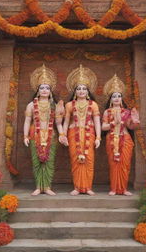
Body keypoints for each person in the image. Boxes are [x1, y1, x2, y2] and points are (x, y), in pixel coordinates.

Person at [59, 65, 101, 196]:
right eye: (79, 89)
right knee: (76, 160)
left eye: (84, 89)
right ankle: (77, 187)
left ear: (88, 91)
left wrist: (99, 137)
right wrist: (63, 135)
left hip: (89, 134)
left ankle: (87, 187)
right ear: (75, 91)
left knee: (89, 160)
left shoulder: (93, 104)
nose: (81, 91)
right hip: (73, 133)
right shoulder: (69, 105)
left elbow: (97, 122)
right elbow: (66, 121)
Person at [23, 64, 64, 196]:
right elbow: (27, 121)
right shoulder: (31, 105)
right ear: (38, 90)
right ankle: (38, 187)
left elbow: (58, 123)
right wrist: (25, 136)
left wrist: (62, 134)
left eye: (47, 88)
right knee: (37, 162)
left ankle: (46, 187)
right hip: (35, 135)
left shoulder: (54, 105)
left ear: (50, 91)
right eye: (42, 88)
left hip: (50, 136)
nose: (44, 90)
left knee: (49, 162)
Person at [102, 74, 140, 196]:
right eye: (114, 96)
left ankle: (123, 189)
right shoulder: (107, 112)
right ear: (110, 99)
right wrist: (113, 123)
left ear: (122, 98)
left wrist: (135, 120)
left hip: (125, 139)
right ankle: (113, 188)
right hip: (112, 139)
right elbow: (103, 127)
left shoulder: (127, 112)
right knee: (113, 164)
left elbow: (131, 127)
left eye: (119, 96)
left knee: (125, 165)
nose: (117, 98)